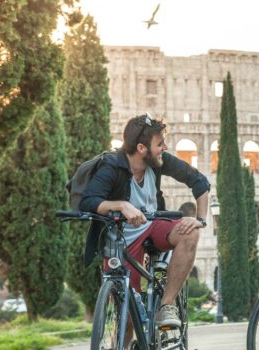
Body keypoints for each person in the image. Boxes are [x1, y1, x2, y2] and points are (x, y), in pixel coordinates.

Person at [80, 113, 210, 329]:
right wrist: (120, 205)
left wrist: (201, 220)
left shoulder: (159, 162)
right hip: (121, 240)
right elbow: (88, 201)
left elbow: (200, 182)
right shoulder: (112, 166)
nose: (165, 147)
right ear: (142, 148)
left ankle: (166, 305)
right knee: (129, 318)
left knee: (190, 232)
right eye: (160, 144)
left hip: (152, 225)